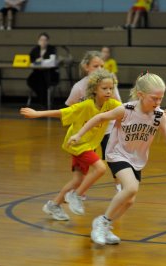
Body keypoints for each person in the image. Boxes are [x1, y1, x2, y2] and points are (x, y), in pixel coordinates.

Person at [68, 72, 166, 245]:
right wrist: (79, 134)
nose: (158, 102)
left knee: (130, 200)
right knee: (130, 188)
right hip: (117, 153)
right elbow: (100, 117)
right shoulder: (126, 110)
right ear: (140, 95)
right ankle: (101, 222)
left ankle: (107, 226)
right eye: (154, 98)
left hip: (137, 159)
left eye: (161, 99)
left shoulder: (158, 115)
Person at [20, 69, 121, 221]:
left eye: (111, 88)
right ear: (94, 89)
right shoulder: (86, 105)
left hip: (89, 145)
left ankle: (53, 205)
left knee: (77, 180)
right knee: (100, 168)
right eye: (104, 88)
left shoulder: (112, 104)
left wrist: (154, 112)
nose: (108, 91)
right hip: (77, 144)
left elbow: (131, 109)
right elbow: (62, 112)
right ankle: (77, 195)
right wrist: (37, 114)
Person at [66, 50, 122, 194]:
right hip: (88, 133)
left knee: (114, 158)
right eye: (95, 66)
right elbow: (71, 108)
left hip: (107, 128)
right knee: (86, 162)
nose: (99, 69)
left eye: (102, 66)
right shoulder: (79, 87)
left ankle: (119, 188)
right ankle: (79, 191)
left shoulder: (110, 85)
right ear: (86, 67)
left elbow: (120, 106)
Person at [26, 32, 59, 107]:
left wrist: (42, 61)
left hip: (49, 73)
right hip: (37, 72)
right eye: (41, 40)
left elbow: (53, 61)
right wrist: (35, 61)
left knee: (42, 82)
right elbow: (30, 59)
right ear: (38, 41)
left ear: (47, 41)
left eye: (45, 40)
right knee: (30, 81)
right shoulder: (35, 49)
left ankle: (44, 102)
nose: (43, 42)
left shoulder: (52, 49)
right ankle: (42, 99)